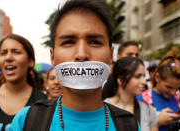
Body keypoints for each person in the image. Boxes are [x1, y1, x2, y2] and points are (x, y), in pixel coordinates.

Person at [10, 0, 140, 131]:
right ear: (52, 56)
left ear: (111, 56)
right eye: (68, 42)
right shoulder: (26, 121)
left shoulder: (129, 125)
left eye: (95, 42)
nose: (81, 54)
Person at [0, 34, 47, 131]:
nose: (8, 57)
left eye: (16, 52)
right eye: (3, 53)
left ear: (30, 61)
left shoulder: (43, 102)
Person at [137, 47, 180, 131]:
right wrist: (157, 122)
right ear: (157, 77)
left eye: (177, 88)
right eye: (168, 87)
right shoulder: (142, 99)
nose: (173, 92)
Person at [104, 57, 158, 131]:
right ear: (121, 80)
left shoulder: (149, 111)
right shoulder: (102, 110)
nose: (144, 81)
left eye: (144, 76)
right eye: (138, 76)